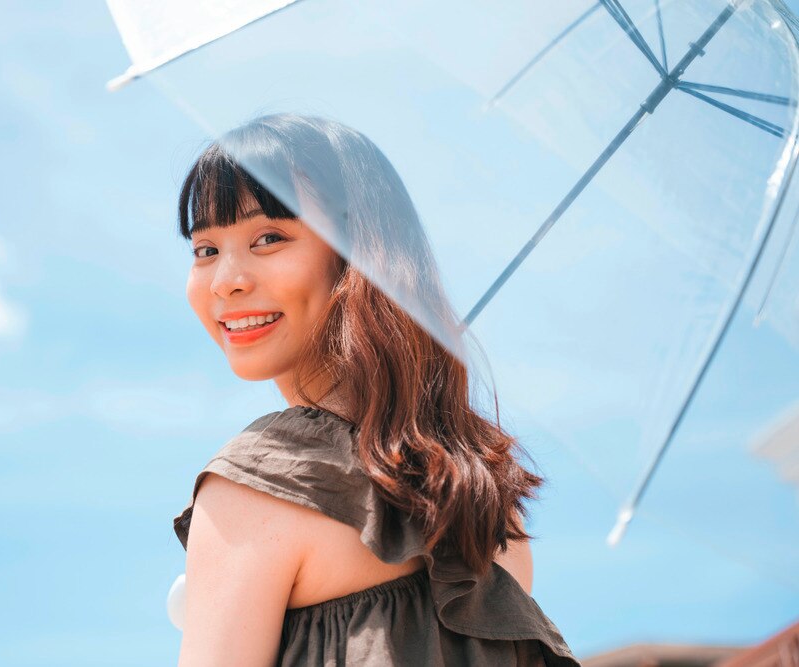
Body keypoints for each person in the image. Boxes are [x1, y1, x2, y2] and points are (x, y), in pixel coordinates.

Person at [173, 113, 580, 666]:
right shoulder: (488, 508)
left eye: (269, 237)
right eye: (205, 250)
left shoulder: (259, 484)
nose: (226, 280)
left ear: (359, 255)